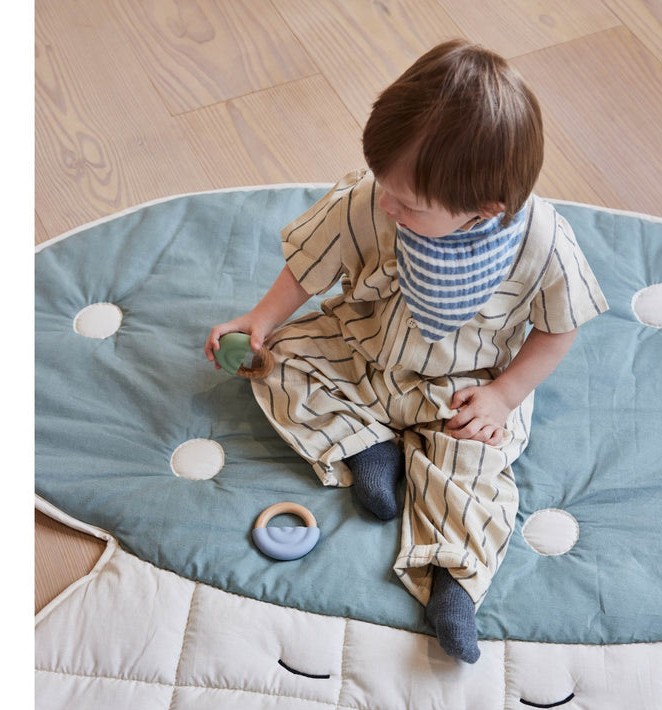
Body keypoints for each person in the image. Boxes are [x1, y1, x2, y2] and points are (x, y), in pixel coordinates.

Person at [206, 40, 608, 663]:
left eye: (408, 204)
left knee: (474, 467)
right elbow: (311, 266)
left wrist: (504, 397)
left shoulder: (543, 244)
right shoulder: (373, 200)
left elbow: (560, 329)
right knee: (279, 359)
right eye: (383, 185)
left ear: (486, 209)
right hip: (361, 348)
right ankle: (367, 447)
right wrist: (260, 319)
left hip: (465, 388)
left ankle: (452, 582)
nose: (386, 204)